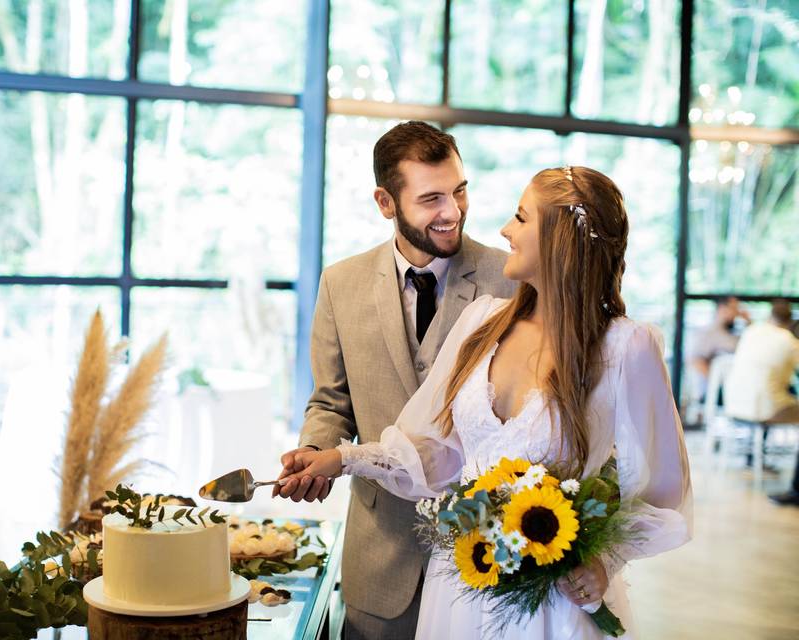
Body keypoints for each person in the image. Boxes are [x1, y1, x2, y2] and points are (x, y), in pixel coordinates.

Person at [278, 166, 692, 639]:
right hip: (458, 588)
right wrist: (340, 458)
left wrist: (602, 560)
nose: (503, 230)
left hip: (552, 605)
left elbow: (662, 492)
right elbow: (440, 454)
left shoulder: (626, 347)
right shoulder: (482, 321)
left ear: (561, 241)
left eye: (520, 217)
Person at [275, 121, 515, 639]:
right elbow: (332, 401)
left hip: (489, 557)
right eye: (431, 199)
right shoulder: (341, 283)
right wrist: (317, 452)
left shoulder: (511, 280)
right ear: (386, 202)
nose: (452, 211)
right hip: (382, 559)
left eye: (459, 191)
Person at [724, 299, 799, 498]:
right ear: (790, 321)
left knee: (772, 395)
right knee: (780, 399)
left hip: (734, 404)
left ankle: (756, 458)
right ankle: (796, 488)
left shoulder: (751, 331)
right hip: (766, 409)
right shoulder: (790, 341)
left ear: (769, 316)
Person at [686, 296, 749, 408]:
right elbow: (695, 361)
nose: (738, 313)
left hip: (734, 388)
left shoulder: (732, 334)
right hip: (714, 392)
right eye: (734, 308)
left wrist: (748, 322)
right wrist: (720, 383)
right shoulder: (708, 333)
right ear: (722, 309)